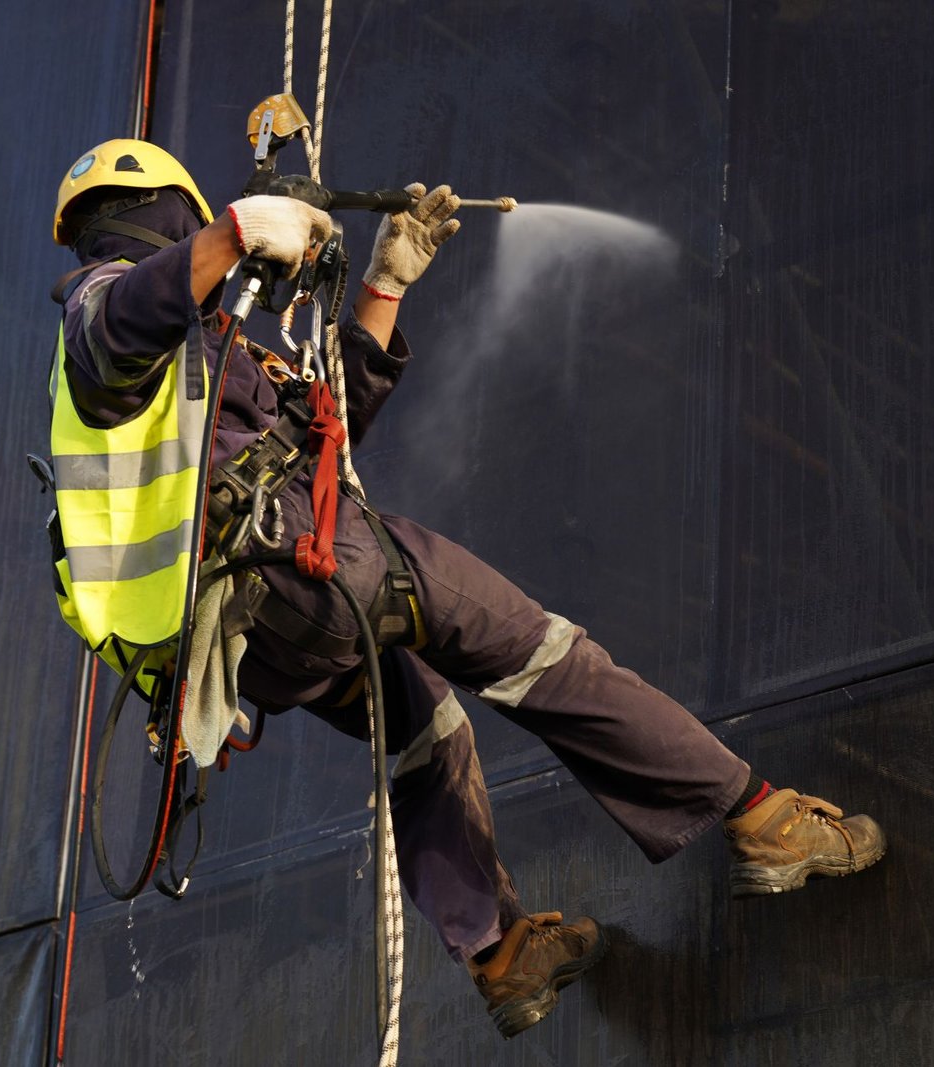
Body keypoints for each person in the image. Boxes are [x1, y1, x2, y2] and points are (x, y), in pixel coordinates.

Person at [45, 138, 886, 1039]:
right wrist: (236, 231)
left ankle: (500, 950)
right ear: (170, 213)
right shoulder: (105, 309)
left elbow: (317, 439)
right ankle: (760, 817)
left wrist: (385, 287)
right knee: (537, 651)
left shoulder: (197, 358)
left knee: (426, 722)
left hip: (251, 639)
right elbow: (120, 319)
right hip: (295, 570)